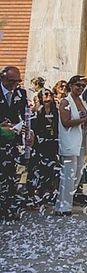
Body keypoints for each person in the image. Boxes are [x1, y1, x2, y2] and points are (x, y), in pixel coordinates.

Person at [54, 75, 87, 216]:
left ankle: (64, 203)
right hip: (70, 141)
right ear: (71, 86)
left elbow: (84, 120)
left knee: (77, 174)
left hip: (81, 140)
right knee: (68, 175)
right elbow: (66, 122)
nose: (80, 88)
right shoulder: (65, 101)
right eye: (78, 85)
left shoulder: (82, 101)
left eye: (83, 86)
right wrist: (84, 118)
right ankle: (64, 207)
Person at [0, 66, 31, 221]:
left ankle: (9, 208)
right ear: (3, 78)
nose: (14, 85)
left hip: (14, 140)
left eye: (17, 82)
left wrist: (29, 132)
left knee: (12, 175)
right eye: (11, 82)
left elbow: (26, 115)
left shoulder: (21, 93)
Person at [26, 88, 59, 207]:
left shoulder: (56, 111)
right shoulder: (36, 111)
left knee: (49, 170)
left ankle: (46, 195)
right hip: (38, 144)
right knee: (35, 170)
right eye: (45, 94)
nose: (48, 96)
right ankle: (32, 196)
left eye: (50, 94)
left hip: (52, 144)